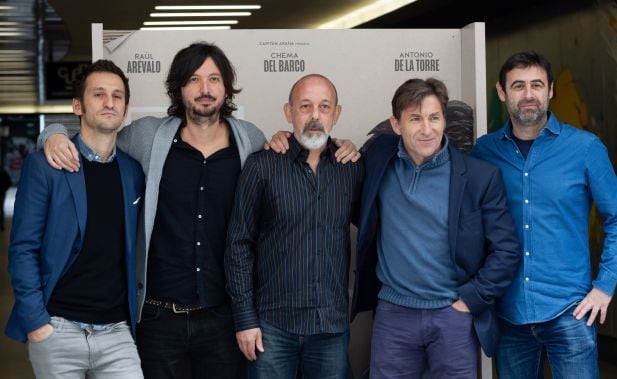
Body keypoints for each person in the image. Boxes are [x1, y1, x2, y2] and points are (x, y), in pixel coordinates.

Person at [39, 42, 358, 379]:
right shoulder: (148, 136)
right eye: (194, 79)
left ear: (226, 87)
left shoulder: (248, 139)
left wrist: (328, 142)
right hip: (159, 316)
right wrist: (53, 134)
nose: (205, 89)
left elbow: (297, 147)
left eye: (214, 79)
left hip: (223, 317)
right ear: (180, 88)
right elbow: (94, 138)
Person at [471, 51, 617, 378]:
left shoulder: (585, 148)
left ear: (551, 91)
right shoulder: (484, 152)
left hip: (570, 312)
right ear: (502, 93)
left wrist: (604, 286)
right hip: (509, 313)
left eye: (536, 85)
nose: (528, 94)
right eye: (518, 86)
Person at [351, 77, 521, 378]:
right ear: (396, 123)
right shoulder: (378, 158)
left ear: (444, 121)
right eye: (415, 119)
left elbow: (506, 250)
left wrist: (469, 300)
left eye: (434, 117)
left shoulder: (480, 177)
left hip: (452, 316)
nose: (426, 129)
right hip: (393, 314)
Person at [5, 60, 145, 378]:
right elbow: (23, 248)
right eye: (98, 94)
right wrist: (36, 323)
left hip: (117, 333)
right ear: (77, 105)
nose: (109, 102)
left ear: (125, 108)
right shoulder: (45, 167)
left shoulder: (133, 171)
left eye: (117, 95)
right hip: (57, 329)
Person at [225, 74, 363, 379]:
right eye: (305, 106)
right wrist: (245, 319)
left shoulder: (351, 167)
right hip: (273, 327)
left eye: (324, 106)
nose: (315, 115)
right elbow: (238, 245)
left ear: (336, 113)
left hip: (331, 327)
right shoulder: (262, 165)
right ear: (289, 112)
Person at [0, 166, 11, 230]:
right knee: (1, 209)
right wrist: (4, 189)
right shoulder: (3, 172)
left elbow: (9, 182)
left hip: (1, 193)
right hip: (1, 193)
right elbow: (9, 182)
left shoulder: (3, 173)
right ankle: (1, 225)